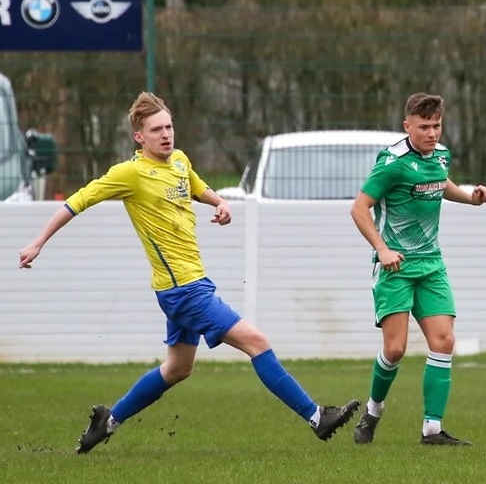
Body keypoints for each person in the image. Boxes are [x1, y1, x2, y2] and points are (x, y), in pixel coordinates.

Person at [19, 92, 359, 454]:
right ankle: (316, 417)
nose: (166, 134)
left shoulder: (179, 161)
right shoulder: (129, 174)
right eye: (156, 130)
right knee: (256, 342)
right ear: (139, 137)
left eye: (168, 126)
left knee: (178, 368)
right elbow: (77, 202)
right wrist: (38, 242)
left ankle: (108, 421)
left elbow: (197, 187)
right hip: (182, 292)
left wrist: (221, 202)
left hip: (193, 283)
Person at [349, 93, 486, 446]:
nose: (432, 133)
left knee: (444, 341)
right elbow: (359, 208)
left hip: (431, 264)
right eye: (424, 126)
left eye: (437, 126)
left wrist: (470, 197)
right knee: (395, 349)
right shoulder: (392, 162)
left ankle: (432, 429)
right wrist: (382, 249)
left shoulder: (441, 155)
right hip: (396, 267)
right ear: (407, 125)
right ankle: (372, 411)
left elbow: (440, 185)